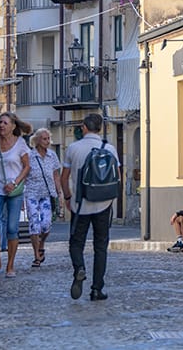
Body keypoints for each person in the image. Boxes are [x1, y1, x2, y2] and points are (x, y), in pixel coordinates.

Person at [61, 113, 120, 301]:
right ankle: (97, 289)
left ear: (84, 128)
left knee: (76, 242)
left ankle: (79, 268)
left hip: (81, 204)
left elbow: (64, 177)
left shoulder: (73, 148)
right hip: (104, 203)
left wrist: (68, 197)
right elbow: (117, 173)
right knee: (100, 246)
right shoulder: (109, 148)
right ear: (100, 129)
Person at [0, 112, 32, 278]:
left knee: (12, 228)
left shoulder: (21, 144)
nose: (1, 125)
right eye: (0, 122)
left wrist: (15, 183)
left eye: (5, 123)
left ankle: (10, 265)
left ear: (13, 126)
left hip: (14, 190)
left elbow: (27, 167)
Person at [26, 127, 63, 268]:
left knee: (46, 225)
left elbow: (56, 175)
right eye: (44, 138)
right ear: (37, 140)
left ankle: (42, 243)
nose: (47, 141)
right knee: (34, 225)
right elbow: (24, 174)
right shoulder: (29, 156)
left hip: (47, 194)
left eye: (48, 138)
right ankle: (36, 254)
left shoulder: (52, 156)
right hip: (31, 193)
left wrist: (59, 193)